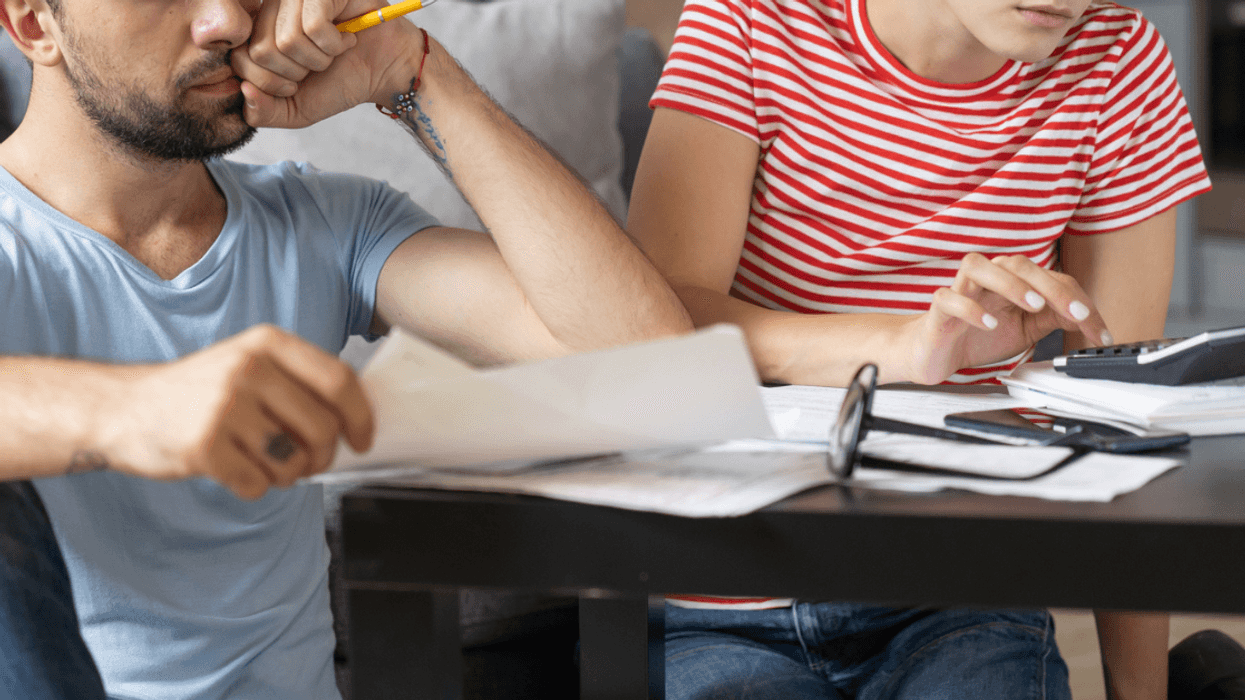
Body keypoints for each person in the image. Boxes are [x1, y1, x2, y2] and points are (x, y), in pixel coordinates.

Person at [0, 0, 693, 692]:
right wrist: (133, 409)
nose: (228, 22)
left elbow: (650, 362)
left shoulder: (324, 223)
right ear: (33, 24)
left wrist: (413, 70)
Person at [626, 0, 1211, 699]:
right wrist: (903, 348)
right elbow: (656, 329)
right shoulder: (752, 19)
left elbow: (1122, 420)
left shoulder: (1114, 59)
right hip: (719, 591)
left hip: (960, 592)